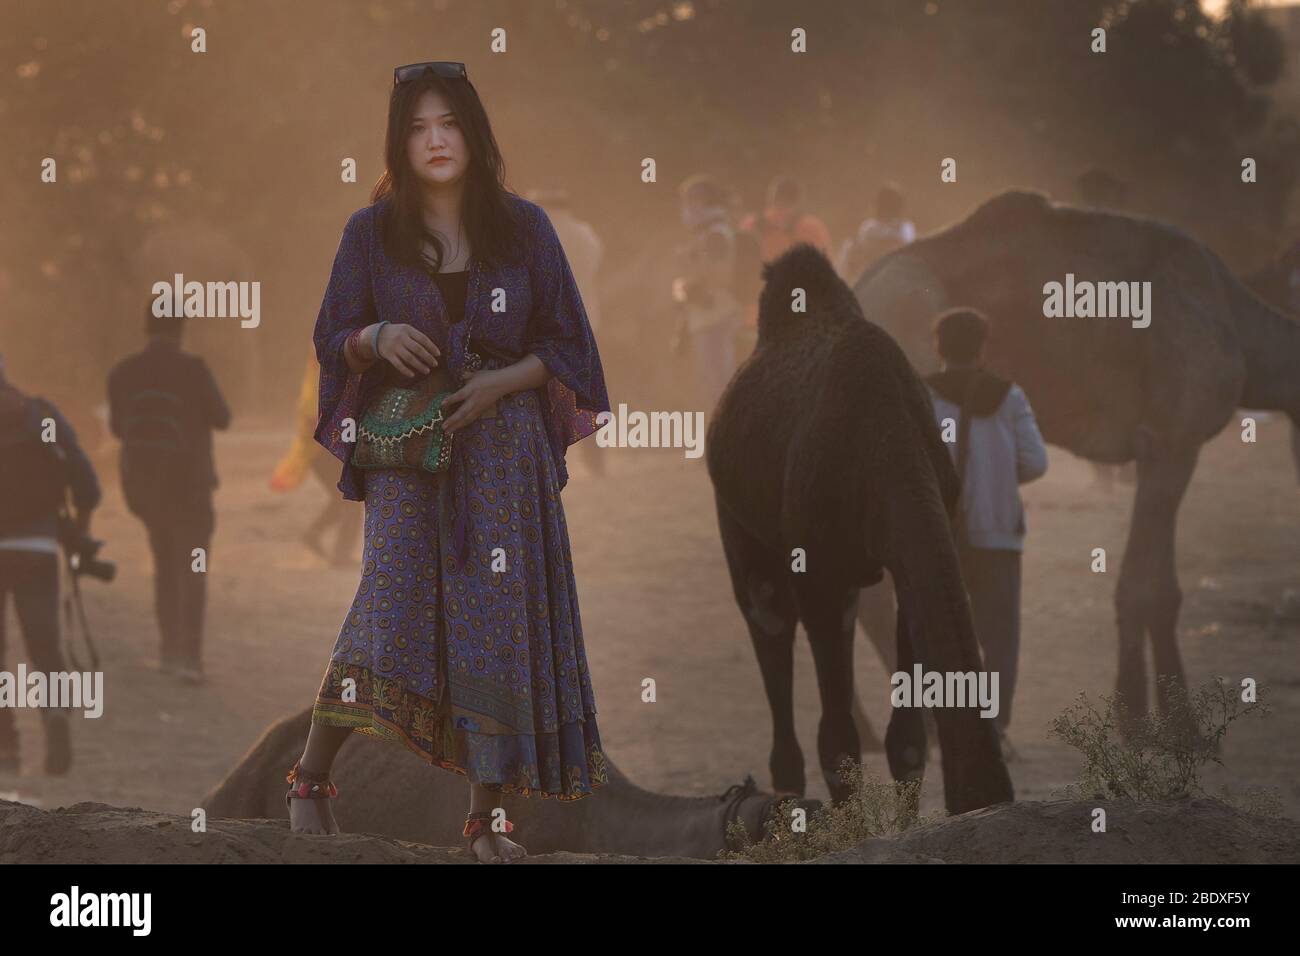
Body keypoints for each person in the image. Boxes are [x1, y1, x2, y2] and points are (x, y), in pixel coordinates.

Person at [293, 60, 611, 863]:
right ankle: (310, 780)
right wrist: (375, 338)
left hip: (506, 456)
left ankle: (485, 822)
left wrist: (503, 381)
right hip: (410, 449)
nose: (436, 141)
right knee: (387, 607)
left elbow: (568, 345)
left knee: (494, 628)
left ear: (475, 132)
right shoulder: (370, 233)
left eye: (450, 124)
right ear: (399, 142)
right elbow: (332, 333)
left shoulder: (526, 228)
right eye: (418, 127)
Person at [924, 309, 1047, 759]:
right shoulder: (1009, 396)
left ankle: (936, 728)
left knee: (936, 631)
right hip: (998, 535)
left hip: (940, 537)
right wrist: (995, 475)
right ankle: (994, 728)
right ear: (982, 348)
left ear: (939, 348)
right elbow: (1035, 462)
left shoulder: (923, 395)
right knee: (999, 638)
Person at [107, 306, 230, 684]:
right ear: (181, 329)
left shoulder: (123, 372)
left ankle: (168, 652)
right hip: (191, 487)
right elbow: (222, 418)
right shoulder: (193, 369)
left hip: (148, 491)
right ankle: (190, 658)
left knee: (164, 565)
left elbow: (117, 428)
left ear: (146, 327)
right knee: (193, 568)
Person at [0, 353, 101, 774]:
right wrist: (76, 528)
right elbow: (87, 484)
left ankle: (6, 746)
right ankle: (55, 713)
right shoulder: (41, 413)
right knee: (44, 642)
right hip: (38, 546)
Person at [525, 188, 606, 477]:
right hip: (587, 320)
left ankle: (548, 462)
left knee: (546, 396)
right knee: (584, 392)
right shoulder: (587, 234)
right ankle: (595, 458)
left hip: (548, 327)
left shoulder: (538, 231)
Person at [269, 346, 362, 566]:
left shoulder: (315, 382)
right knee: (349, 499)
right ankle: (339, 555)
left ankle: (314, 533)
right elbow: (315, 417)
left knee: (341, 497)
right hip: (323, 451)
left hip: (318, 452)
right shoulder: (319, 383)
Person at [670, 174, 744, 410]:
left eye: (689, 201)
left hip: (717, 317)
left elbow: (720, 274)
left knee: (719, 387)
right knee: (712, 386)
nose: (686, 208)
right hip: (706, 319)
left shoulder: (716, 234)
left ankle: (729, 441)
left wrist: (692, 284)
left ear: (702, 202)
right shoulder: (706, 234)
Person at [736, 176, 834, 341]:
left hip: (755, 307)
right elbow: (825, 270)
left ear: (771, 198)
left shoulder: (751, 225)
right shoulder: (811, 228)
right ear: (799, 200)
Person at [835, 182, 916, 283]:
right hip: (871, 269)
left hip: (894, 271)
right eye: (884, 205)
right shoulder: (870, 226)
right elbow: (861, 247)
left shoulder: (904, 227)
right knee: (848, 245)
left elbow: (903, 246)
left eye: (889, 205)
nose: (886, 209)